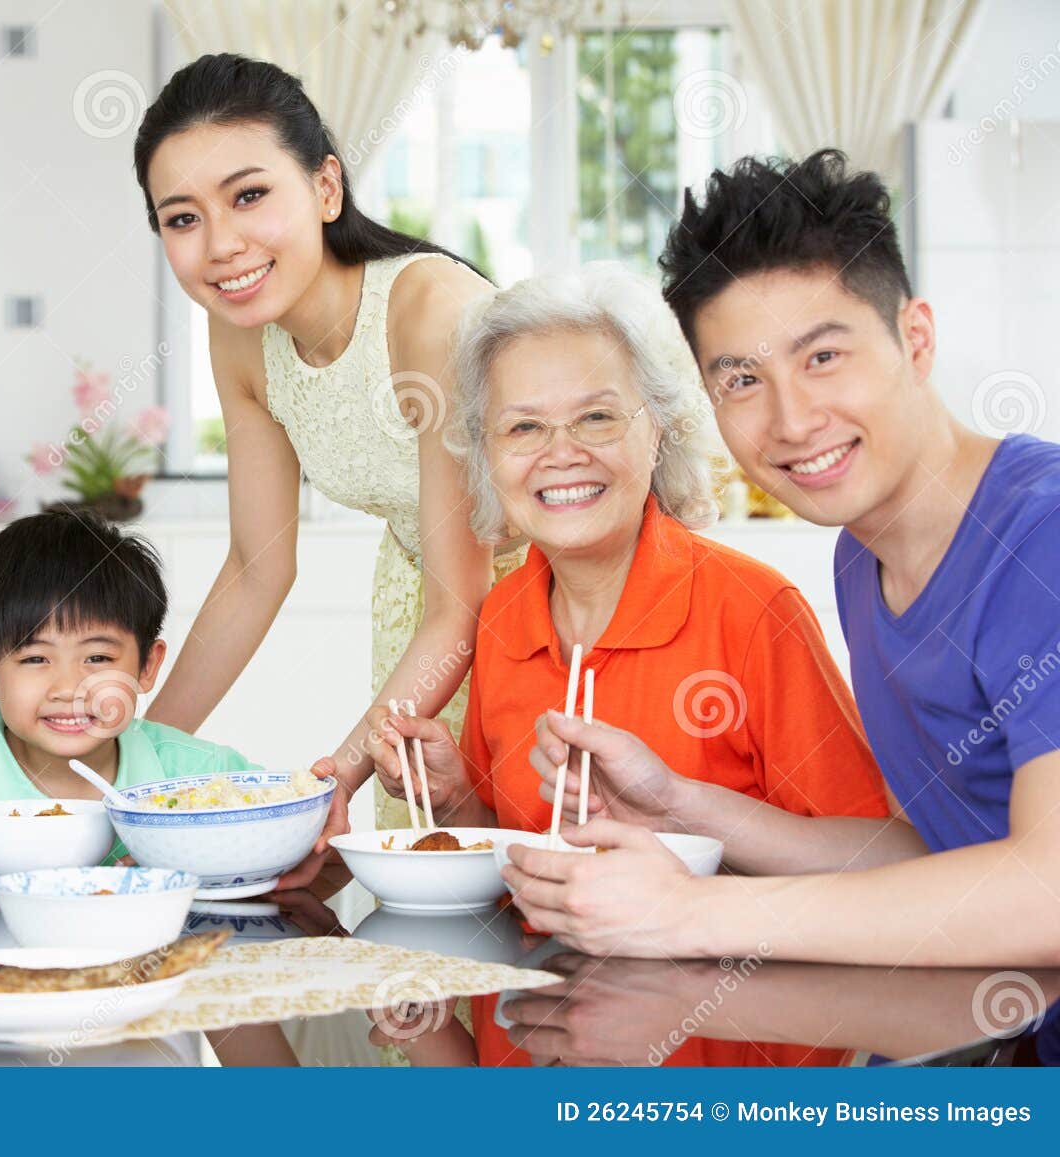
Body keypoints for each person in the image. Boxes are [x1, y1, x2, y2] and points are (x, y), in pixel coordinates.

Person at [508, 150, 1060, 969]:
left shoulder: (1038, 536)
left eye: (823, 356)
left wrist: (694, 912)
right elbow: (934, 866)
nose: (793, 419)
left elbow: (1045, 889)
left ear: (916, 338)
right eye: (741, 379)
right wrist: (680, 806)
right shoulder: (859, 561)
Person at [362, 262, 891, 1064]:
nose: (560, 454)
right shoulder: (504, 618)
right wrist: (457, 795)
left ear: (661, 430)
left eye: (598, 417)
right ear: (487, 458)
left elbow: (871, 859)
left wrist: (683, 814)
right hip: (537, 1040)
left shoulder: (752, 611)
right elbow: (517, 861)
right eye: (523, 427)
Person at [132, 54, 523, 859]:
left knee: (529, 870)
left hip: (543, 606)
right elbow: (256, 566)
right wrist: (135, 759)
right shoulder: (240, 329)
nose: (221, 245)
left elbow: (467, 600)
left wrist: (335, 775)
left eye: (249, 196)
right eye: (182, 218)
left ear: (326, 188)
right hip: (423, 608)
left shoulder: (427, 313)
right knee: (427, 877)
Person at [0, 511, 261, 878]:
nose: (69, 688)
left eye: (98, 659)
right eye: (35, 659)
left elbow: (293, 846)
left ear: (147, 666)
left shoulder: (205, 776)